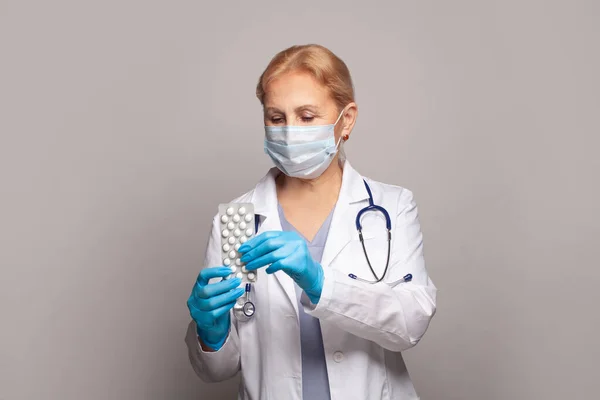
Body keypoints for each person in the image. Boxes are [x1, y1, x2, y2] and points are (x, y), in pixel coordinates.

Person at [185, 44, 437, 400]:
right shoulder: (236, 220)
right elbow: (220, 369)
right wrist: (210, 333)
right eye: (276, 118)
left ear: (346, 119)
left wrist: (319, 282)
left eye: (306, 116)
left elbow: (410, 325)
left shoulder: (391, 207)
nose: (289, 132)